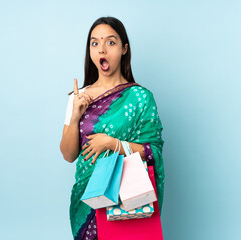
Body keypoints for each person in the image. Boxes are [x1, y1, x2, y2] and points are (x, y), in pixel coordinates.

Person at [59, 16, 165, 240]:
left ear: (124, 48)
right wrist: (76, 115)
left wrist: (113, 144)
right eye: (95, 43)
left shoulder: (141, 98)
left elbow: (153, 152)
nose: (102, 50)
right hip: (87, 199)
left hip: (128, 198)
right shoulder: (78, 98)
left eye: (111, 42)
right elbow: (69, 155)